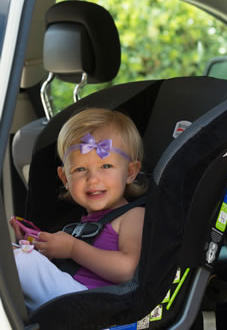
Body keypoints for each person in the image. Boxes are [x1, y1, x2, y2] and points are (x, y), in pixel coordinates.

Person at [11, 108, 146, 311]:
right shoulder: (82, 222)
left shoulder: (133, 216)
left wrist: (74, 248)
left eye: (106, 166)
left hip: (95, 305)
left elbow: (128, 269)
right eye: (80, 169)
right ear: (65, 178)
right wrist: (41, 246)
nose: (93, 179)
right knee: (15, 254)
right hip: (71, 295)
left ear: (130, 172)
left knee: (21, 263)